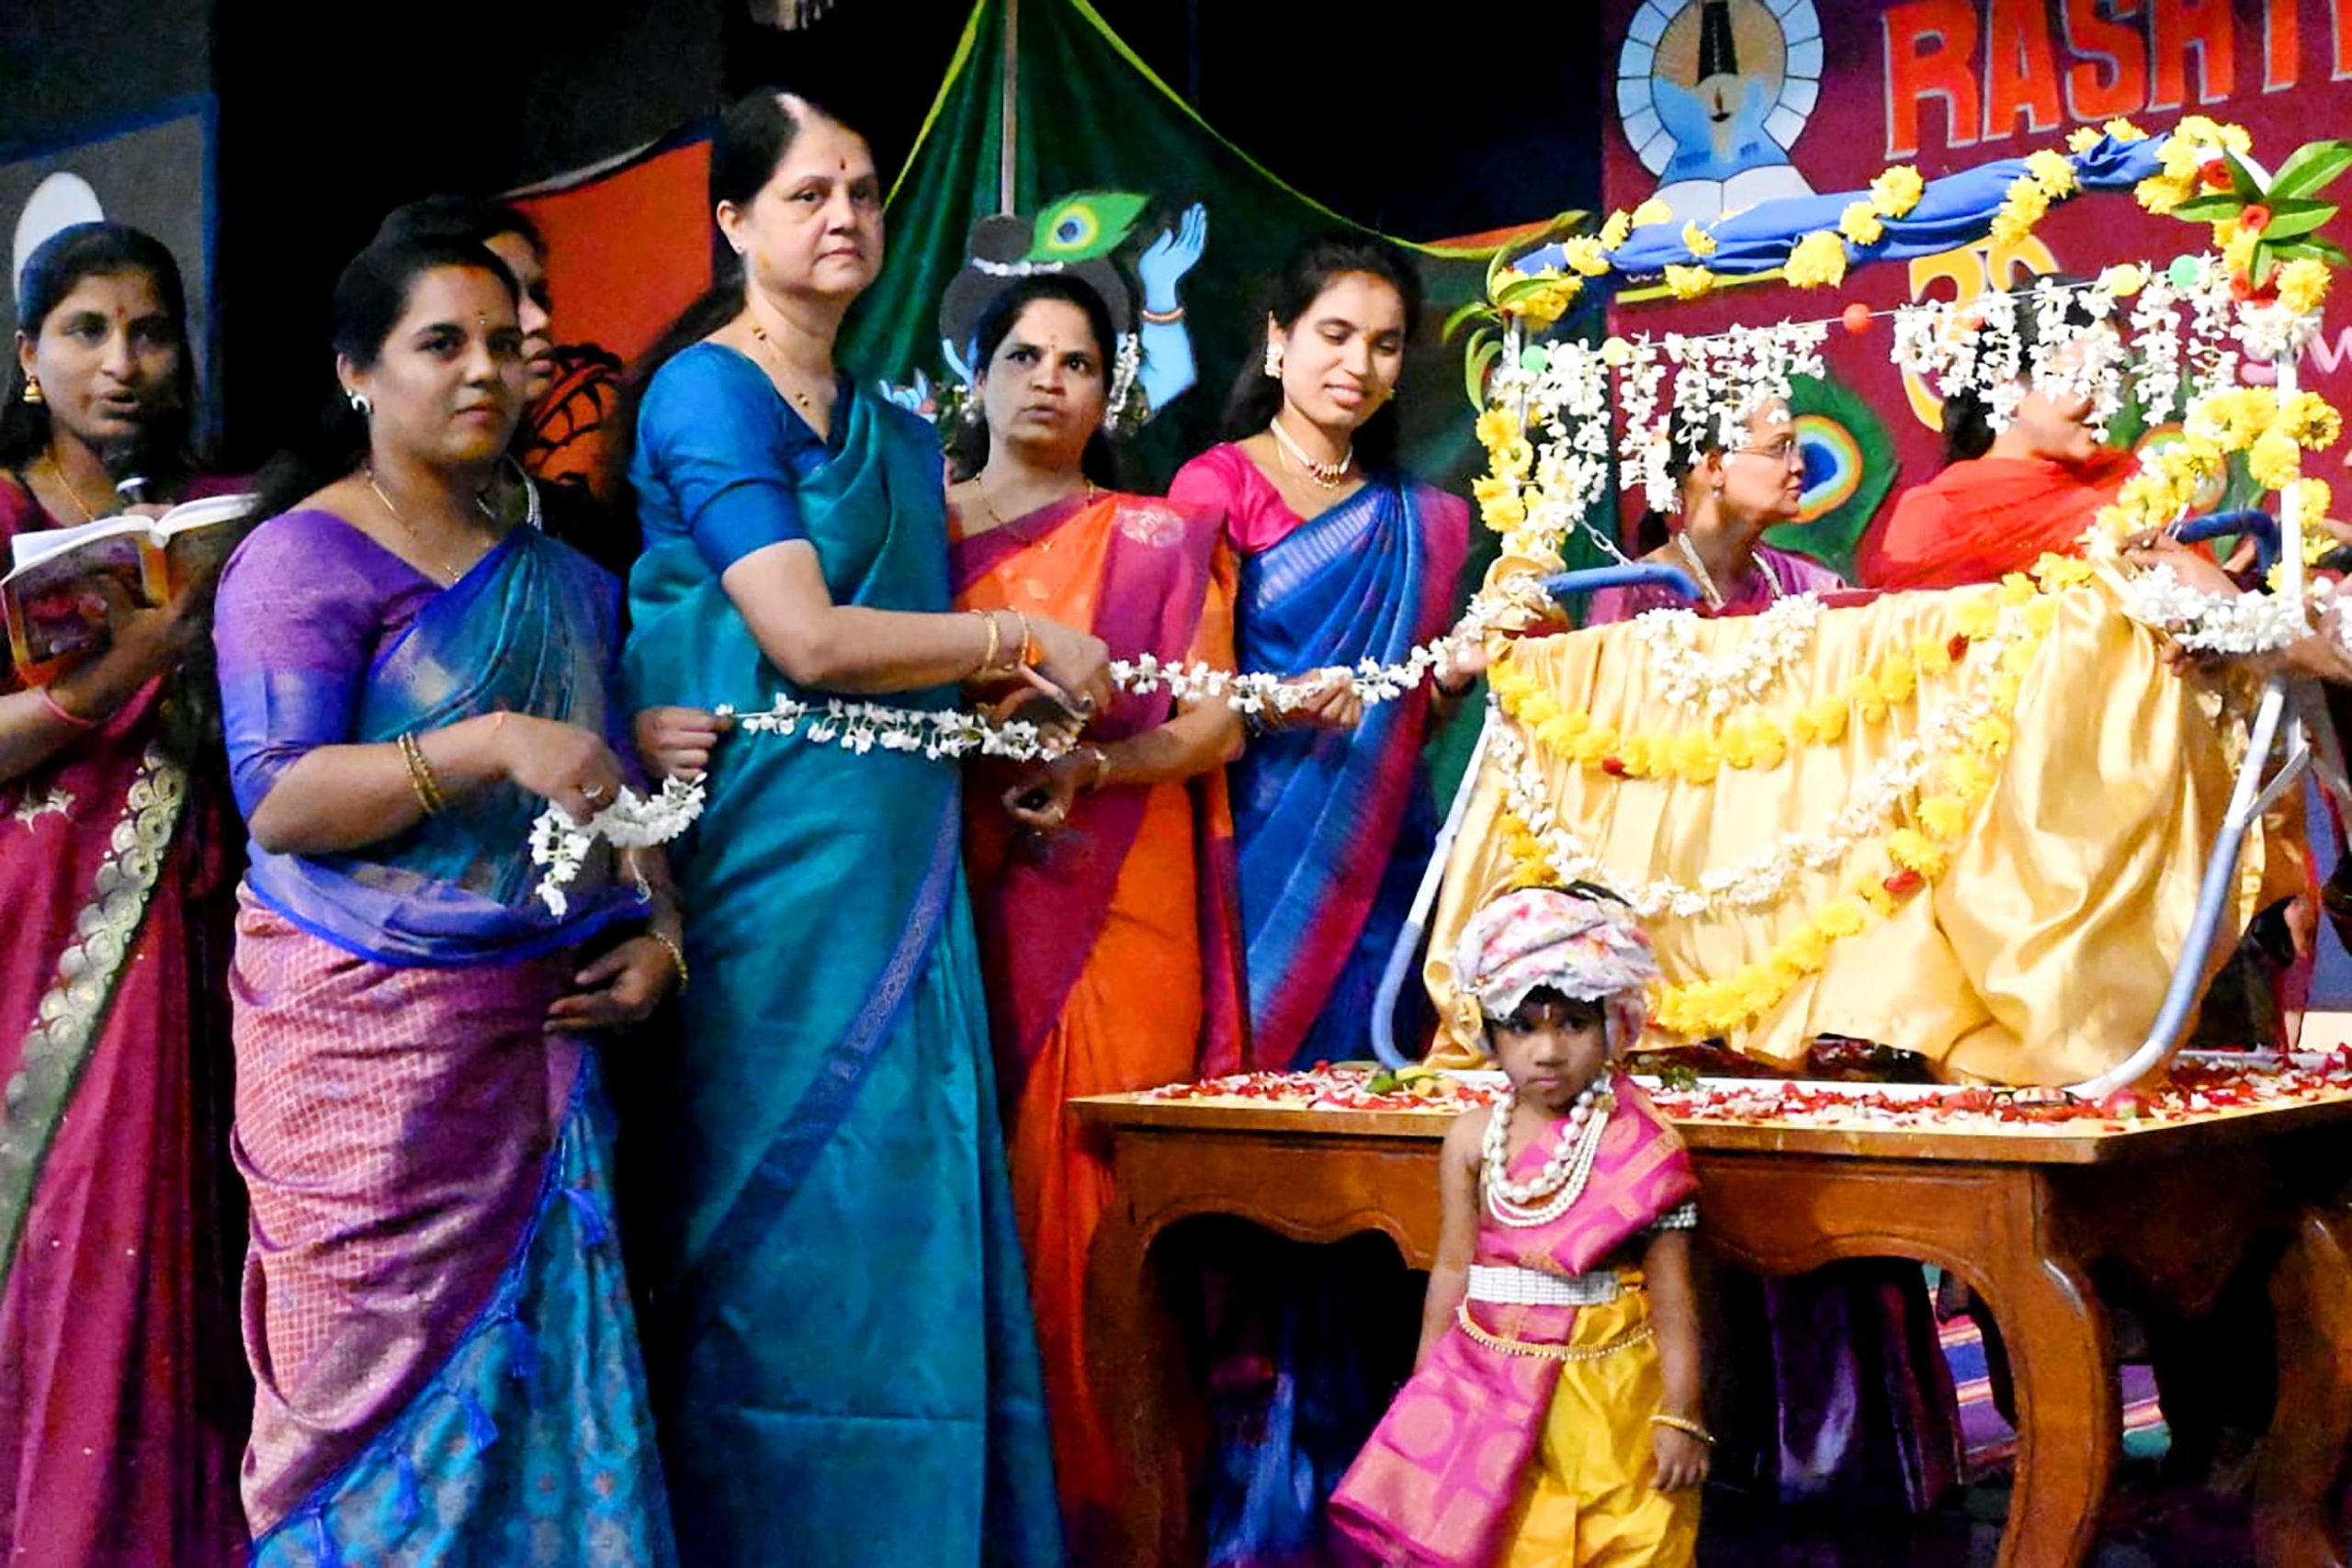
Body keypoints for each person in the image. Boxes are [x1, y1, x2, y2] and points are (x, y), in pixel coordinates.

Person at [617, 89, 1088, 1566]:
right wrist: (1011, 632)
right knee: (781, 1211)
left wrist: (1022, 714)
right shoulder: (705, 391)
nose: (843, 218)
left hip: (895, 847)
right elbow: (807, 639)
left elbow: (904, 657)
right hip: (769, 862)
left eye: (865, 193)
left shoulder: (890, 421)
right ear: (734, 222)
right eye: (809, 192)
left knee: (906, 1189)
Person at [211, 234, 679, 1562]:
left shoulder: (558, 564)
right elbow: (283, 799)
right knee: (344, 1419)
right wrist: (479, 743)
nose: (485, 369)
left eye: (502, 342)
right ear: (358, 371)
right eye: (441, 343)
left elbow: (618, 784)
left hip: (542, 1046)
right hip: (363, 1062)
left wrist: (665, 935)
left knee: (548, 1399)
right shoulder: (303, 560)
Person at [944, 272, 1245, 1555]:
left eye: (1077, 360)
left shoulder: (1161, 537)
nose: (1049, 378)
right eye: (1023, 353)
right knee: (974, 1203)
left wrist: (1093, 767)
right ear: (976, 376)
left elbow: (1216, 718)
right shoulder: (913, 533)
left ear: (1109, 388)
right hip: (953, 891)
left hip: (1123, 898)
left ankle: (1118, 1511)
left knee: (1103, 1212)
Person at [0, 220, 246, 1564]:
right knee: (53, 1230)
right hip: (32, 926)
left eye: (149, 331)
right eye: (87, 331)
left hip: (186, 916)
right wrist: (127, 663)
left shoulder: (210, 514)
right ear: (29, 356)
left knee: (157, 1252)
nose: (122, 362)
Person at [1329, 885, 1706, 1567]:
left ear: (1614, 1024)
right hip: (1487, 1386)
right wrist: (1424, 1396)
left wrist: (1680, 1413)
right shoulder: (1472, 1139)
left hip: (1612, 1389)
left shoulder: (1645, 1144)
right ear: (1489, 1034)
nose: (1548, 1051)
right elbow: (1452, 1267)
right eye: (1523, 1026)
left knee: (1625, 1539)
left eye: (1571, 1023)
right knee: (1507, 1542)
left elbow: (1675, 1298)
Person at [1167, 234, 1474, 1070]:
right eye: (1334, 334)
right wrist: (1279, 699)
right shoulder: (1216, 485)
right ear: (1279, 340)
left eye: (1384, 344)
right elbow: (1184, 694)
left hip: (1385, 843)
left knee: (1380, 1076)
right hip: (1256, 833)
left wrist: (1444, 680)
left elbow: (1419, 719)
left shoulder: (1426, 520)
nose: (1358, 364)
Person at [373, 195, 637, 577]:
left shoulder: (579, 526)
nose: (538, 319)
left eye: (539, 295)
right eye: (503, 298)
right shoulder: (327, 537)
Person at [1859, 285, 2134, 591]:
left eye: (2112, 381)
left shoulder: (2133, 484)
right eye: (2085, 381)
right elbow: (1919, 630)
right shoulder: (1938, 515)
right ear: (2006, 379)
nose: (2105, 402)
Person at [1587, 394, 1847, 623]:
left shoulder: (1813, 588)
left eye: (1796, 450)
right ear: (1715, 467)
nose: (1798, 466)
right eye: (1778, 448)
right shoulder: (1630, 598)